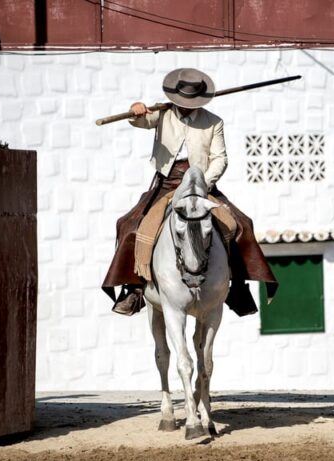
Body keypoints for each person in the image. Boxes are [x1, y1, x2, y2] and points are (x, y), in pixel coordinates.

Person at [102, 68, 278, 316]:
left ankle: (238, 286)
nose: (185, 107)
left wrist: (201, 185)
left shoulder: (213, 122)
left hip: (202, 184)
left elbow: (220, 159)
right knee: (129, 225)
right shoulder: (161, 114)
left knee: (242, 225)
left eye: (190, 103)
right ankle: (134, 288)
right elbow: (140, 120)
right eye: (182, 103)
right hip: (167, 183)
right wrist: (137, 109)